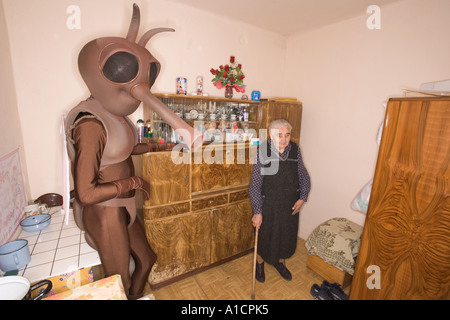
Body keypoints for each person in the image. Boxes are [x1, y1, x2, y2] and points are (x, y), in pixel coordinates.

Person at [249, 119, 311, 282]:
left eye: (287, 135)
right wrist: (257, 211)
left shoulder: (295, 150)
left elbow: (303, 175)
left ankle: (278, 263)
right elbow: (255, 184)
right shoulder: (263, 151)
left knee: (284, 236)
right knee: (265, 237)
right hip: (268, 205)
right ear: (270, 135)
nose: (283, 139)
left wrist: (303, 197)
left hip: (289, 204)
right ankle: (260, 264)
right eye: (279, 135)